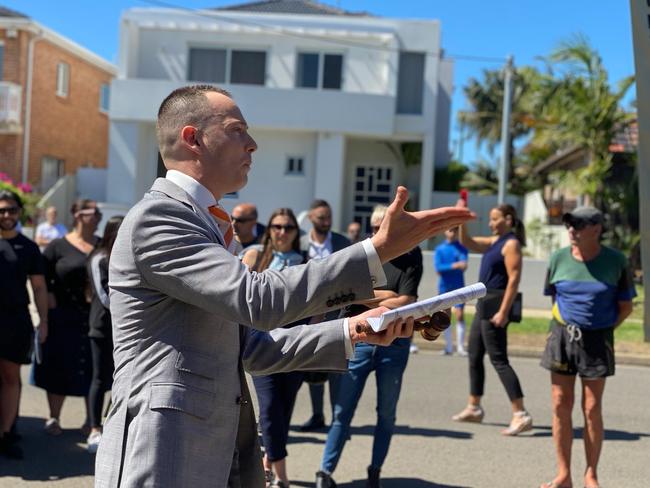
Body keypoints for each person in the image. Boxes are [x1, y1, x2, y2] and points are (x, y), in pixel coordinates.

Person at [93, 84, 474, 488]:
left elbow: (249, 347)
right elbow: (256, 299)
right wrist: (376, 250)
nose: (252, 144)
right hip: (164, 456)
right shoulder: (160, 218)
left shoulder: (208, 224)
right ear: (193, 139)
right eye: (237, 129)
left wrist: (354, 329)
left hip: (209, 456)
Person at [316, 205, 423, 488]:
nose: (377, 233)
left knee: (386, 413)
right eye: (374, 228)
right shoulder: (361, 255)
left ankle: (374, 471)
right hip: (361, 340)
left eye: (382, 227)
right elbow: (348, 294)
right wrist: (389, 296)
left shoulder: (412, 255)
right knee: (342, 411)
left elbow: (407, 302)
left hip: (395, 343)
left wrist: (370, 296)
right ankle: (324, 473)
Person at [539, 207, 635, 488]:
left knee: (591, 407)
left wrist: (602, 330)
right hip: (561, 336)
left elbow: (626, 306)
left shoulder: (616, 261)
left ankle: (591, 474)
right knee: (560, 403)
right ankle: (563, 474)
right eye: (570, 225)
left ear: (596, 229)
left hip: (597, 339)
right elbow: (555, 298)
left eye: (579, 225)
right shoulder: (557, 258)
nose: (572, 230)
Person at [452, 203, 533, 436]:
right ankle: (474, 407)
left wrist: (504, 311)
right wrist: (461, 219)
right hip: (484, 304)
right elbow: (467, 242)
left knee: (499, 359)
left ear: (508, 219)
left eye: (495, 219)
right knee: (474, 355)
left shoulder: (511, 244)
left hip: (497, 306)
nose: (490, 223)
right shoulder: (494, 242)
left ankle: (520, 414)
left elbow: (514, 280)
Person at [242, 208, 305, 488]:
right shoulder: (256, 255)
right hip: (261, 342)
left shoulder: (304, 261)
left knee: (284, 409)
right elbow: (238, 295)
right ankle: (280, 474)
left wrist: (312, 331)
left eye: (288, 227)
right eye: (277, 226)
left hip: (295, 343)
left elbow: (315, 305)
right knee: (268, 408)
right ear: (269, 229)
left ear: (295, 232)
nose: (282, 232)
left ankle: (266, 465)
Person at [32, 198, 101, 437]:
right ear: (77, 215)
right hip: (62, 314)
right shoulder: (57, 246)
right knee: (58, 365)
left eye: (98, 213)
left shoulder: (103, 246)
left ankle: (91, 419)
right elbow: (41, 275)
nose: (96, 217)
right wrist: (48, 296)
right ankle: (54, 417)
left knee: (92, 367)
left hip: (94, 316)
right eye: (91, 212)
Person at [0, 190, 48, 459]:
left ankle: (6, 434)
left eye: (11, 210)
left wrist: (43, 322)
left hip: (15, 321)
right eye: (2, 211)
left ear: (19, 213)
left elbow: (39, 288)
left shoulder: (28, 248)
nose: (6, 215)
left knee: (9, 377)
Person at [298, 199, 352, 432]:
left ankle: (337, 420)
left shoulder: (342, 243)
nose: (326, 222)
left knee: (337, 367)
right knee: (313, 365)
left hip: (336, 312)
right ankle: (317, 415)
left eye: (329, 217)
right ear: (310, 217)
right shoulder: (299, 244)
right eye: (321, 217)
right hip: (307, 312)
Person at [85, 216, 124, 454]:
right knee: (100, 379)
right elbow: (104, 296)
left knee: (120, 378)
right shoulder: (99, 258)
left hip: (122, 328)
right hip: (101, 326)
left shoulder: (125, 256)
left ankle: (111, 425)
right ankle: (93, 427)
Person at [434, 227, 468, 356]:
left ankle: (460, 347)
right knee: (446, 316)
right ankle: (448, 347)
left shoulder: (461, 248)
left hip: (459, 285)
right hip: (444, 286)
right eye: (450, 230)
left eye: (455, 231)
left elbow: (464, 265)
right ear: (445, 231)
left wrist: (458, 265)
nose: (452, 233)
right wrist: (454, 265)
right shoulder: (440, 249)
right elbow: (438, 268)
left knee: (459, 315)